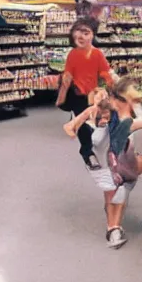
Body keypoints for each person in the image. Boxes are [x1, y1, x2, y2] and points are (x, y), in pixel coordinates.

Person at [64, 80, 142, 249]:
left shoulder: (125, 120)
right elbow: (73, 128)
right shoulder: (106, 114)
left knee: (119, 189)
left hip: (118, 161)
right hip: (107, 161)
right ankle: (113, 228)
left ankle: (113, 226)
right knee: (114, 189)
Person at [57, 17, 115, 169]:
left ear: (92, 35)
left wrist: (112, 86)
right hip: (77, 94)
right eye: (78, 32)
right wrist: (62, 96)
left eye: (86, 33)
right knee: (83, 124)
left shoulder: (97, 54)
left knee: (95, 121)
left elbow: (105, 72)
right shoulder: (73, 54)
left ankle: (96, 144)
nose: (81, 36)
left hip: (93, 95)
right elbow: (67, 76)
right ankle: (88, 153)